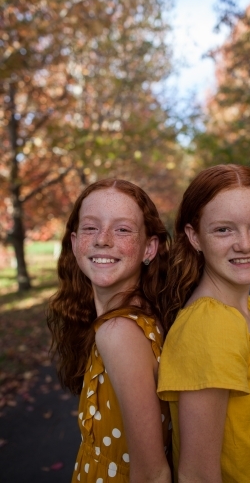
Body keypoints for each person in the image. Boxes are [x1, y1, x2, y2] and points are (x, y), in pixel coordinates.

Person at [157, 164, 250, 483]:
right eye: (224, 230)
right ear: (194, 236)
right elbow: (197, 475)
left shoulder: (247, 306)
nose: (245, 244)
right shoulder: (211, 326)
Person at [47, 178, 172, 483]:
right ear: (75, 242)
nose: (103, 239)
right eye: (91, 228)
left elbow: (153, 473)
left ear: (149, 248)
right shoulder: (139, 317)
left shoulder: (119, 332)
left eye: (123, 229)